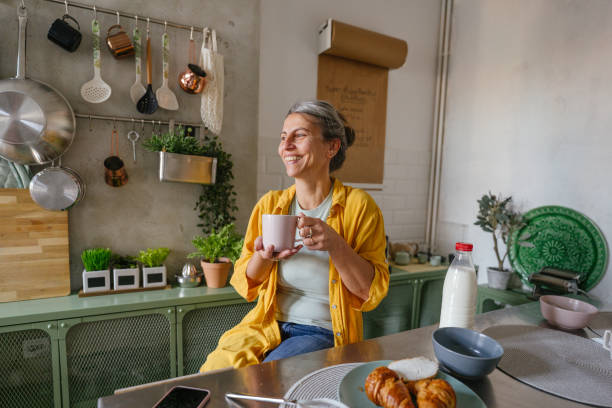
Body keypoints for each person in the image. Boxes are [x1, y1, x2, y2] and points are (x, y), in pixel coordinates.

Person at [200, 100, 389, 372]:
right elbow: (245, 282)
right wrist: (264, 257)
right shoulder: (271, 204)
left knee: (269, 381)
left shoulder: (359, 206)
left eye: (299, 135)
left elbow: (370, 293)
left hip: (322, 332)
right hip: (266, 325)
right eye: (282, 137)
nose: (286, 145)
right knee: (212, 374)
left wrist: (336, 244)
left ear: (331, 147)